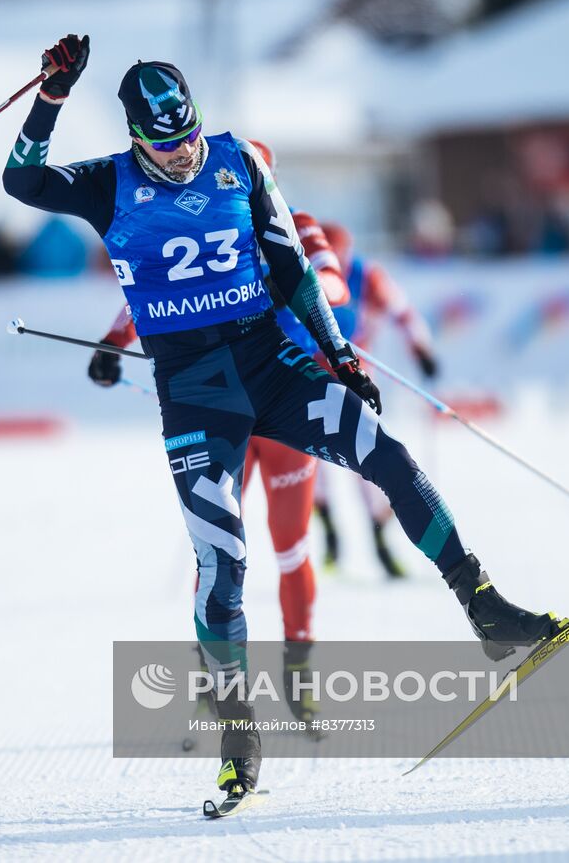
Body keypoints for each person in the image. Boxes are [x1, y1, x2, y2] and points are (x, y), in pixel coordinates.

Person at [2, 34, 564, 805]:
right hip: (195, 393)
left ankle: (486, 609)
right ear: (136, 139)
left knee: (384, 452)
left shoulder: (240, 160)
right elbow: (21, 178)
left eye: (190, 137)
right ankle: (238, 736)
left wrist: (339, 354)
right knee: (224, 561)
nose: (184, 156)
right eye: (165, 147)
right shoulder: (108, 185)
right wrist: (52, 97)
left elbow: (292, 265)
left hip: (272, 365)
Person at [87, 141, 349, 731]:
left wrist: (283, 284)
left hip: (282, 400)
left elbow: (333, 287)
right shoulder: (196, 220)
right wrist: (111, 345)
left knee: (290, 544)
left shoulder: (296, 224)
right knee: (217, 552)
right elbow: (150, 296)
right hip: (217, 402)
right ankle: (217, 684)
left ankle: (300, 677)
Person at [308, 222, 441, 579]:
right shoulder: (300, 271)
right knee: (313, 459)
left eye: (338, 256)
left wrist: (421, 349)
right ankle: (330, 534)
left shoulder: (367, 276)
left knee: (367, 458)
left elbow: (404, 314)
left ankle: (380, 539)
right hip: (311, 374)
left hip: (356, 374)